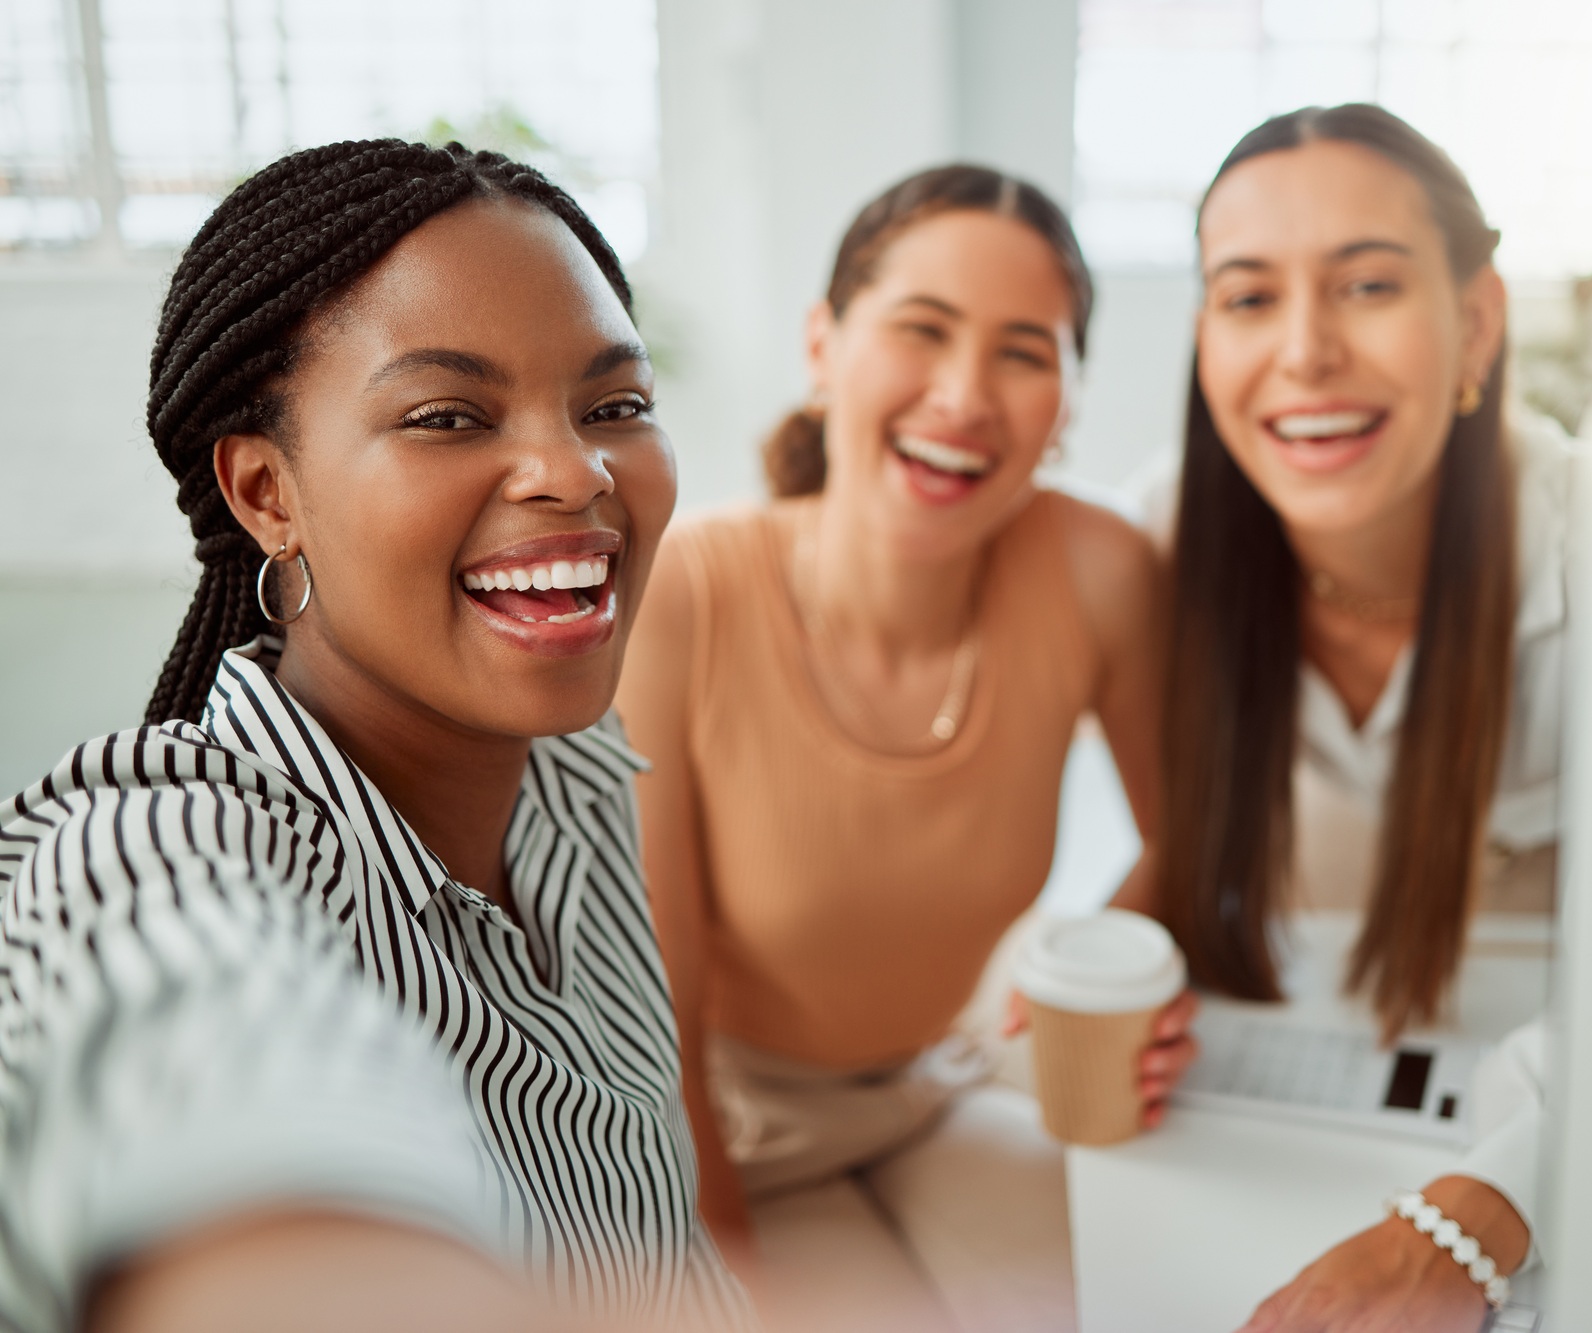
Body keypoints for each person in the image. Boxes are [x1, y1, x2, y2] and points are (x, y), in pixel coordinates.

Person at [0, 140, 747, 1332]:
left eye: (616, 404)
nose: (573, 468)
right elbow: (232, 1153)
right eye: (447, 415)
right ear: (265, 493)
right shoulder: (152, 849)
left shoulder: (579, 765)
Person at [618, 165, 1193, 1333]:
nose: (964, 394)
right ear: (824, 345)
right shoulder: (686, 588)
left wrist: (1112, 972)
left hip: (941, 1085)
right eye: (921, 331)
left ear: (1070, 399)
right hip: (716, 1124)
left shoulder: (1098, 571)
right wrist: (712, 1248)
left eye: (1025, 353)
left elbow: (1187, 827)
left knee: (1148, 1298)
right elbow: (649, 1006)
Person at [1156, 105, 1566, 1331]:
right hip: (1279, 1120)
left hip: (1521, 1136)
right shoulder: (1149, 549)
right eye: (1245, 298)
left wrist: (1468, 1221)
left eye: (1367, 285)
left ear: (1475, 322)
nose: (1304, 351)